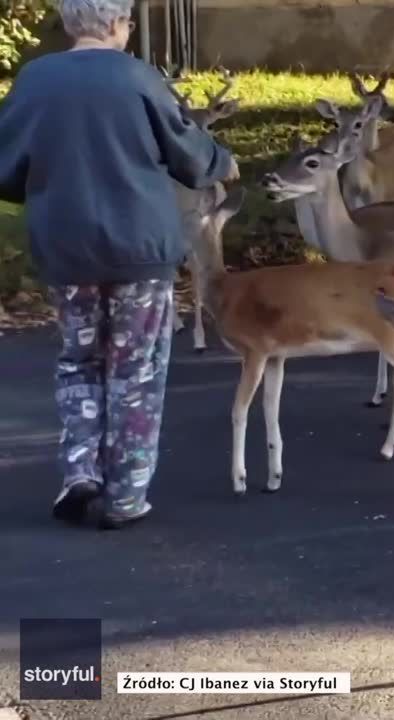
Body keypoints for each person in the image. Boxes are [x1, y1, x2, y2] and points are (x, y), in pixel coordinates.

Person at [0, 0, 238, 529]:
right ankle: (126, 494)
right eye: (129, 21)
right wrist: (225, 161)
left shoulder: (36, 80)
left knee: (79, 361)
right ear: (113, 24)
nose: (129, 30)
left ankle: (80, 474)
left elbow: (6, 170)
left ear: (68, 23)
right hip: (139, 249)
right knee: (136, 369)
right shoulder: (140, 79)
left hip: (65, 248)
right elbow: (193, 157)